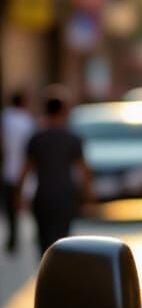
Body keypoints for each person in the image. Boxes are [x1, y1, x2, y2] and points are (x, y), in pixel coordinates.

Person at [16, 91, 94, 257]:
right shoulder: (73, 138)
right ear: (64, 112)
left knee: (44, 242)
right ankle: (59, 275)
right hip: (65, 197)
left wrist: (19, 196)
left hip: (43, 196)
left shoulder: (36, 138)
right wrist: (88, 195)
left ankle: (45, 274)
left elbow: (24, 171)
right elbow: (84, 170)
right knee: (63, 240)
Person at [2, 91, 35, 252]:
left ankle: (12, 238)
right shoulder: (26, 121)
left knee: (10, 207)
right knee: (26, 204)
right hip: (23, 168)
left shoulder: (5, 119)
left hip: (8, 169)